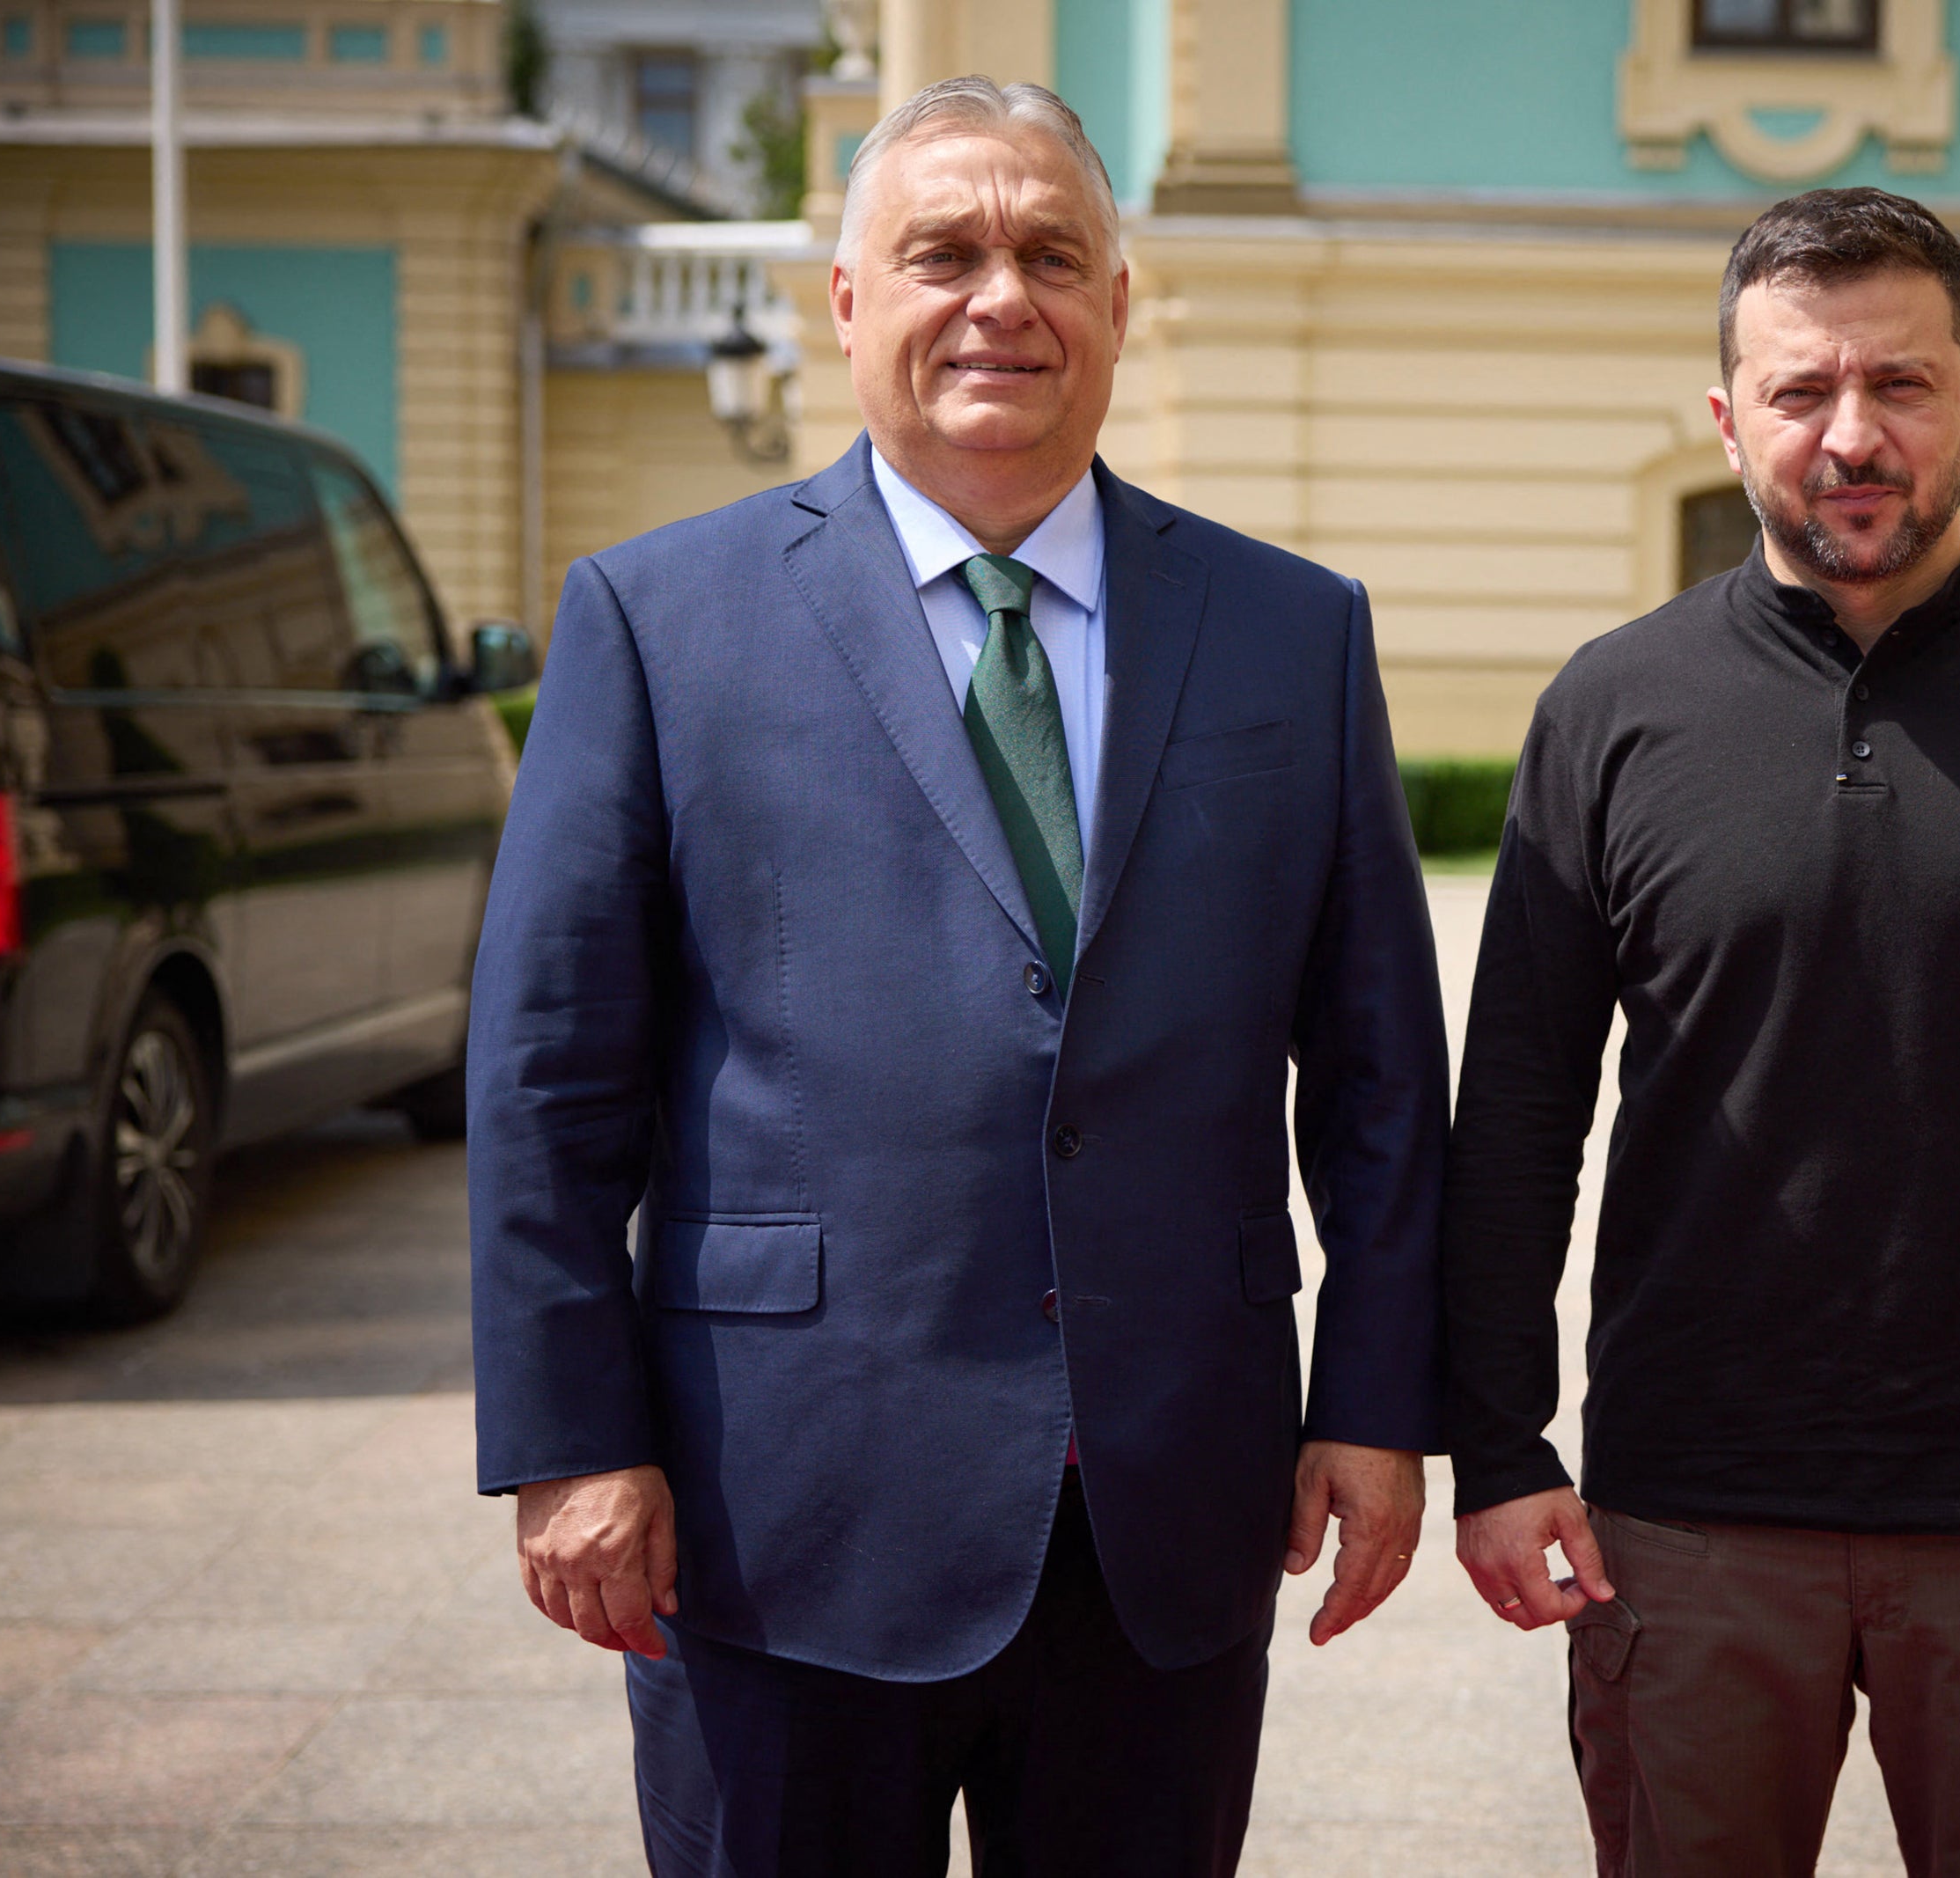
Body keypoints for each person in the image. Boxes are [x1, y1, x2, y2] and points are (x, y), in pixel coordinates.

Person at [466, 77, 1448, 1878]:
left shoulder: (1291, 632)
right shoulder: (654, 619)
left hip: (1169, 1506)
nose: (1004, 296)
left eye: (1052, 254)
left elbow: (1381, 1075)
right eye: (945, 253)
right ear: (846, 301)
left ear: (1120, 306)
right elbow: (548, 1079)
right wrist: (568, 1436)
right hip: (778, 1509)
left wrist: (1379, 1403)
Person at [1440, 187, 1960, 1878]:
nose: (1850, 435)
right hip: (1683, 1519)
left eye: (1900, 386)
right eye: (1800, 390)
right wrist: (1501, 1441)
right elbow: (1521, 1106)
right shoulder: (1611, 709)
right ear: (1729, 416)